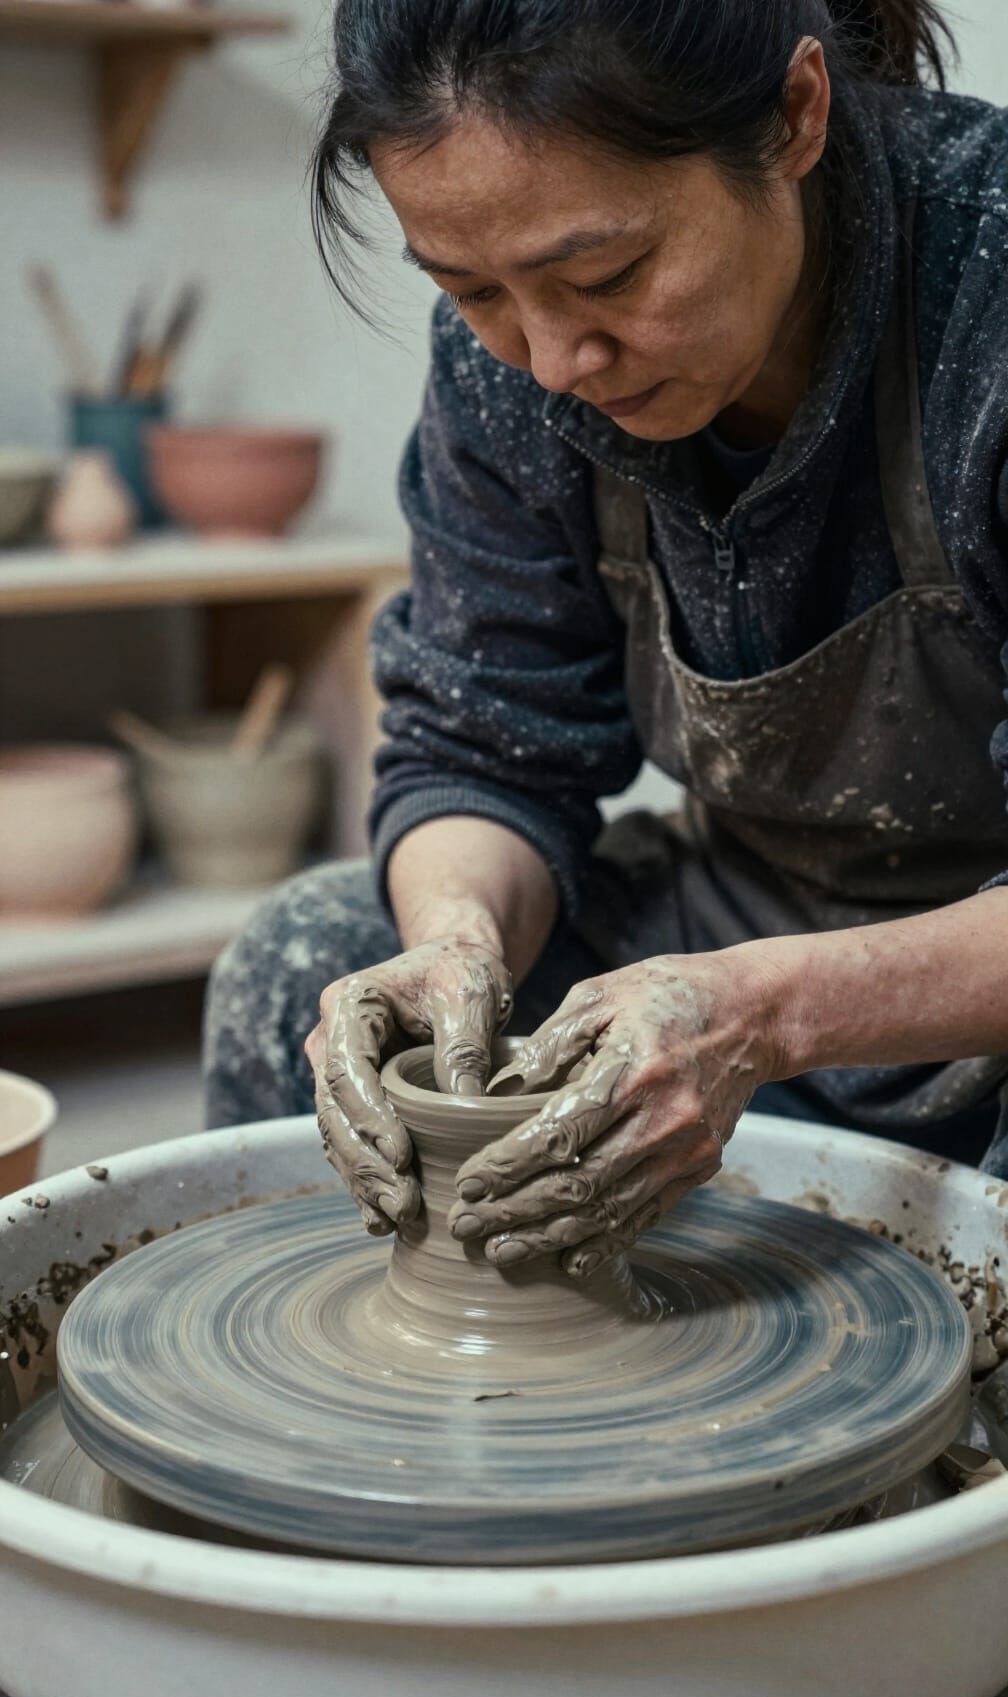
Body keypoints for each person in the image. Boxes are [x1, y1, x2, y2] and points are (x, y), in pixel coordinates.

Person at [205, 0, 1008, 1281]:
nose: (551, 359)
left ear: (796, 117)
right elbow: (488, 743)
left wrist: (761, 1012)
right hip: (734, 912)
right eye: (471, 290)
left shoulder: (990, 280)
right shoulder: (519, 364)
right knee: (306, 964)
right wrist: (457, 939)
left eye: (608, 277)